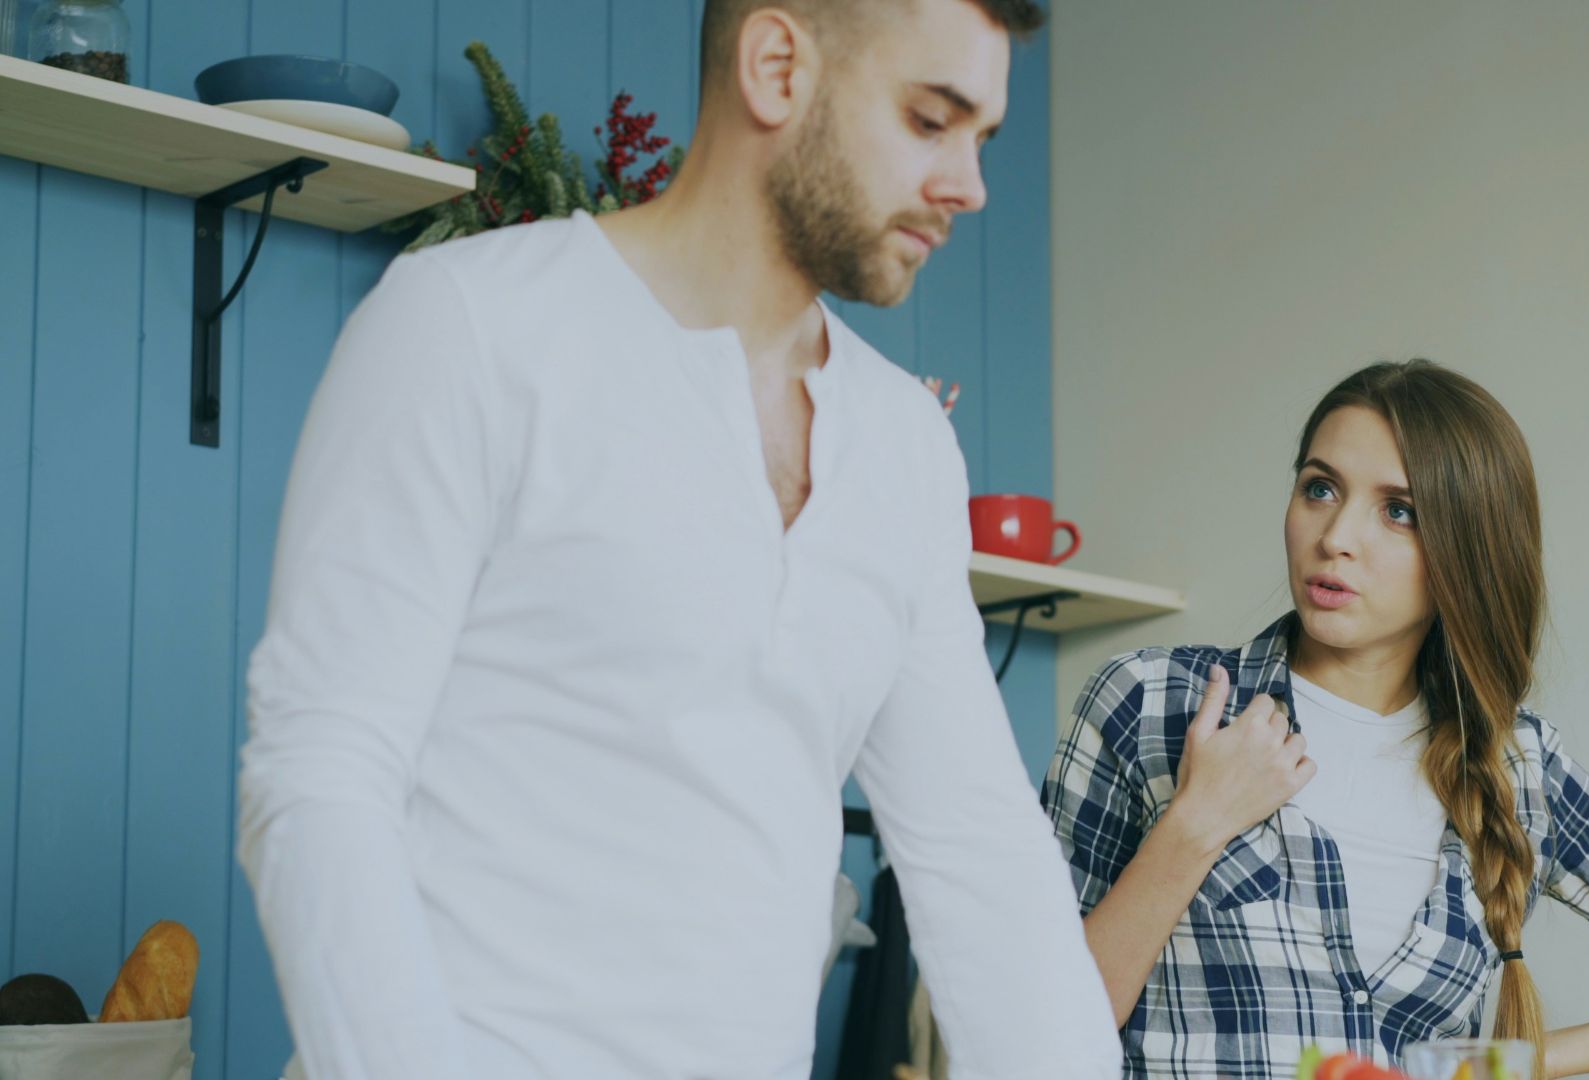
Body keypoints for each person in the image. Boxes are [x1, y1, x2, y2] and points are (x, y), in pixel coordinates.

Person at [236, 1, 1120, 1077]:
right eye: (932, 120)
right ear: (776, 65)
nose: (971, 187)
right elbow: (319, 775)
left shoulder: (904, 450)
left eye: (982, 141)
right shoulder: (467, 328)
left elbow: (981, 860)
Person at [1043, 360, 1589, 1078]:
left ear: (1468, 552)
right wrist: (1195, 825)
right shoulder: (1150, 703)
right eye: (1319, 488)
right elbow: (1027, 1030)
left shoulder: (1515, 764)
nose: (1336, 537)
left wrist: (1514, 1066)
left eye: (1398, 511)